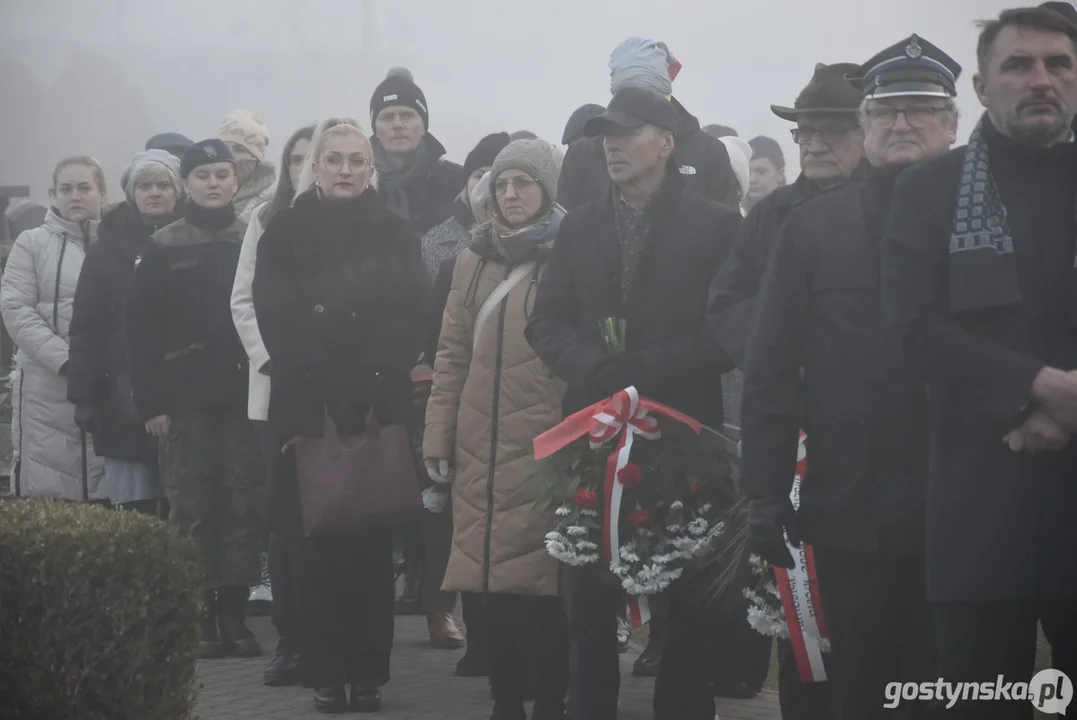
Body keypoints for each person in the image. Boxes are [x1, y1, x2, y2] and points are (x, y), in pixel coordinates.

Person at [742, 35, 962, 720]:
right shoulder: (811, 228)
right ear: (864, 126)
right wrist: (763, 492)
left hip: (964, 506)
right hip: (851, 505)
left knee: (951, 688)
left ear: (953, 124)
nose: (901, 124)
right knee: (859, 687)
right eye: (886, 110)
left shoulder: (988, 218)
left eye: (921, 110)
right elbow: (771, 366)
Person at [881, 7, 1077, 717]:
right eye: (1018, 65)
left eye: (1057, 64)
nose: (1040, 80)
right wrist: (1038, 393)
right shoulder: (929, 190)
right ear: (981, 85)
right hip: (979, 504)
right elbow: (914, 330)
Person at [527, 87, 741, 720]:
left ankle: (683, 704)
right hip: (593, 427)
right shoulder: (583, 224)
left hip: (682, 428)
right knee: (587, 590)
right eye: (606, 135)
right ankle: (591, 706)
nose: (612, 145)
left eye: (628, 132)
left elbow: (725, 330)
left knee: (686, 588)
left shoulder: (716, 224)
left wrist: (649, 367)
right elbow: (547, 321)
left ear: (667, 142)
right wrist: (592, 367)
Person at [705, 59, 865, 720]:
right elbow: (724, 303)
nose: (812, 143)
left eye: (831, 130)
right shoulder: (769, 217)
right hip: (787, 435)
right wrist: (776, 347)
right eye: (804, 131)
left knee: (871, 630)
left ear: (867, 133)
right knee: (797, 617)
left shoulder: (902, 207)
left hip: (871, 445)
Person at [253, 117, 428, 713]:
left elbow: (411, 312)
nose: (347, 170)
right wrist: (322, 378)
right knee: (315, 551)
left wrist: (375, 377)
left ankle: (369, 674)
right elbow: (275, 312)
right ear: (316, 166)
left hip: (378, 404)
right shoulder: (287, 230)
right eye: (336, 160)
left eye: (357, 160)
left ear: (370, 167)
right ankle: (326, 671)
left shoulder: (395, 232)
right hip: (308, 406)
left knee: (372, 551)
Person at [425, 138, 569, 720]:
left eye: (525, 184)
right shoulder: (470, 257)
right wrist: (437, 436)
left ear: (546, 191)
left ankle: (551, 701)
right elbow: (451, 355)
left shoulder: (571, 253)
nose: (511, 194)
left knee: (545, 585)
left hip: (548, 444)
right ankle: (505, 700)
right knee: (488, 585)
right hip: (478, 444)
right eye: (503, 184)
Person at [126, 139, 265, 660]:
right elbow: (138, 331)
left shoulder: (251, 238)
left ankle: (234, 614)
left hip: (243, 398)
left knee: (243, 505)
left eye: (222, 174)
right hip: (184, 404)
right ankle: (199, 616)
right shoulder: (164, 245)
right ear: (187, 184)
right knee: (192, 507)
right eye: (202, 174)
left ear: (236, 181)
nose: (212, 183)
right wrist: (152, 405)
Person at [418, 131, 511, 658]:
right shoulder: (458, 258)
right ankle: (470, 633)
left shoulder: (558, 253)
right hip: (470, 410)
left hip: (526, 414)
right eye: (494, 181)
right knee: (461, 523)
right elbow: (441, 345)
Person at [231, 122, 315, 687]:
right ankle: (291, 640)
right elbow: (243, 300)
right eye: (300, 160)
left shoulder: (364, 223)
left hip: (338, 397)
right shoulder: (263, 220)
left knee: (337, 520)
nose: (309, 170)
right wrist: (273, 361)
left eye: (323, 158)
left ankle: (332, 635)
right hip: (276, 392)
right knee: (285, 524)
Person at [67, 150, 184, 515]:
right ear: (131, 193)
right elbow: (86, 326)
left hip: (185, 396)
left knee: (185, 507)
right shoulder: (106, 250)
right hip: (120, 399)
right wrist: (84, 394)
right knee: (137, 511)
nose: (154, 193)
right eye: (145, 186)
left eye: (164, 185)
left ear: (178, 191)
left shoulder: (194, 238)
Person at [1, 156, 107, 500]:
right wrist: (67, 361)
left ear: (101, 193)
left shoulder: (116, 244)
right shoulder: (31, 244)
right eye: (66, 189)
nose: (74, 196)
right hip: (46, 387)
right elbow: (16, 309)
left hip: (106, 384)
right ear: (53, 194)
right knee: (52, 494)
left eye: (84, 188)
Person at [558, 37, 740, 211]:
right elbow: (567, 229)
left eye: (646, 100)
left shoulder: (707, 151)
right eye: (627, 98)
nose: (615, 145)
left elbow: (728, 232)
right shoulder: (582, 154)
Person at [370, 67, 466, 238]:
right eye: (387, 117)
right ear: (375, 130)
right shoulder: (359, 184)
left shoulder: (459, 184)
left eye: (407, 116)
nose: (398, 124)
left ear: (424, 127)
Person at [219, 109, 276, 225]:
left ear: (256, 157)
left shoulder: (272, 199)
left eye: (239, 149)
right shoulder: (211, 192)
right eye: (224, 148)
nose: (229, 155)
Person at [745, 136, 786, 212]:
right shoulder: (736, 214)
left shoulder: (795, 214)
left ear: (780, 174)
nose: (752, 180)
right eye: (747, 172)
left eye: (761, 172)